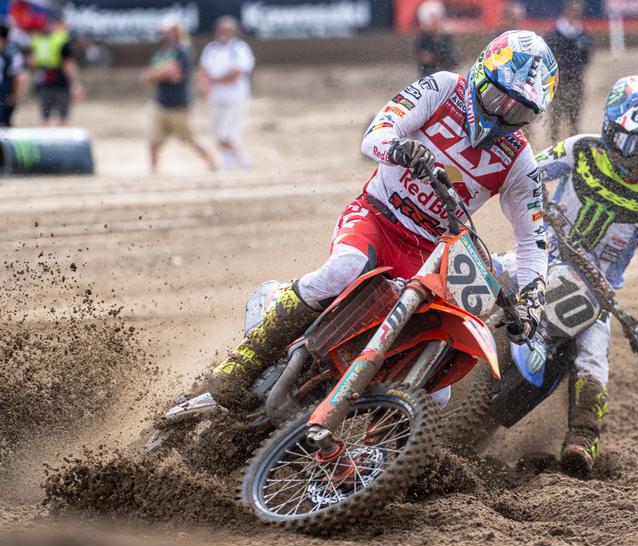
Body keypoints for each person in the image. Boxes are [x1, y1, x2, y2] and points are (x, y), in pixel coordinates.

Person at [208, 30, 559, 411]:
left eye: (519, 111)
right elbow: (375, 133)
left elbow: (533, 240)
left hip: (432, 253)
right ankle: (243, 361)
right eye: (497, 98)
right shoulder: (445, 89)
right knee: (344, 268)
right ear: (479, 76)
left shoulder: (519, 161)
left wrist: (532, 299)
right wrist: (400, 149)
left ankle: (376, 450)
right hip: (377, 216)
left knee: (437, 390)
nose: (502, 115)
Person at [534, 76, 638, 478]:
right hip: (540, 256)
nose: (637, 156)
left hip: (596, 295)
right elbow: (526, 171)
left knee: (594, 357)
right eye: (631, 141)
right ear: (610, 129)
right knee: (483, 272)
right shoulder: (580, 149)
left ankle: (582, 438)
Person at [142, 16, 215, 173]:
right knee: (153, 141)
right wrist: (161, 73)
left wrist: (157, 74)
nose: (164, 35)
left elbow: (173, 73)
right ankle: (153, 171)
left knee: (189, 139)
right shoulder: (160, 53)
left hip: (179, 105)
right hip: (160, 103)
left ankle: (211, 162)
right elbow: (150, 76)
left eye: (167, 31)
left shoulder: (182, 50)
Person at [198, 16, 255, 170]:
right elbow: (203, 70)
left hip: (235, 96)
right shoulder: (211, 49)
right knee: (217, 131)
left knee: (231, 131)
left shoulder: (239, 48)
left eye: (227, 30)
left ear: (233, 31)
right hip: (216, 97)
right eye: (221, 29)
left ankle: (234, 159)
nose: (223, 33)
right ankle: (236, 158)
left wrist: (214, 80)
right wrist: (204, 84)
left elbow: (236, 73)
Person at [544, 0, 591, 141]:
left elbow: (587, 58)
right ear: (567, 10)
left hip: (576, 83)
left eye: (578, 10)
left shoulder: (584, 36)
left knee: (574, 122)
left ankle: (573, 151)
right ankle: (553, 150)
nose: (576, 12)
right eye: (573, 9)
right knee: (555, 121)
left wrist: (575, 71)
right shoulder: (553, 35)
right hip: (557, 84)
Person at [30, 12, 83, 126]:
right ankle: (62, 143)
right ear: (59, 24)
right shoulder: (62, 40)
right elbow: (69, 64)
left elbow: (32, 62)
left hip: (44, 82)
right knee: (63, 118)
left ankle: (44, 142)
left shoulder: (38, 39)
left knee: (44, 119)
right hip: (61, 82)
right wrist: (75, 84)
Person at [414, 1, 456, 78]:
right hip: (429, 75)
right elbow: (425, 59)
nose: (435, 22)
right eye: (432, 19)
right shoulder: (423, 38)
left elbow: (451, 58)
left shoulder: (446, 37)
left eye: (436, 19)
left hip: (444, 74)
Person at [0, 23, 26, 127]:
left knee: (3, 123)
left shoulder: (12, 53)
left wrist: (14, 95)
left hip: (5, 94)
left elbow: (19, 77)